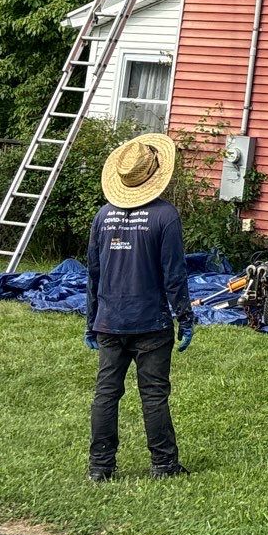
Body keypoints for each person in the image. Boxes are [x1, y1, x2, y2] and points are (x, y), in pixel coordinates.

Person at [84, 132, 194, 482]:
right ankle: (164, 465)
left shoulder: (103, 216)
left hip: (109, 322)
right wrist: (185, 318)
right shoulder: (165, 217)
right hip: (151, 323)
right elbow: (173, 275)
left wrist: (91, 321)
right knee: (154, 394)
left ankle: (100, 468)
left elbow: (94, 273)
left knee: (106, 393)